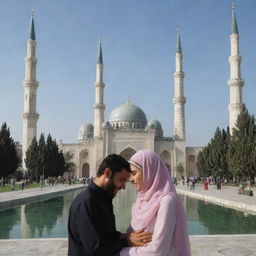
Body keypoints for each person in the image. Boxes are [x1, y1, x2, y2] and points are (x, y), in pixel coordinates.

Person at [68, 154, 152, 256]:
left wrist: (128, 237)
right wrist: (127, 241)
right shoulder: (86, 202)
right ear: (107, 173)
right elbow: (96, 250)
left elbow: (107, 235)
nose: (124, 187)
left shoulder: (103, 198)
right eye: (121, 180)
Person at [120, 150, 191, 256]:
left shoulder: (166, 201)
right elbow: (133, 237)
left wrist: (120, 253)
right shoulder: (139, 203)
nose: (131, 179)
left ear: (149, 171)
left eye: (134, 173)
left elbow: (158, 251)